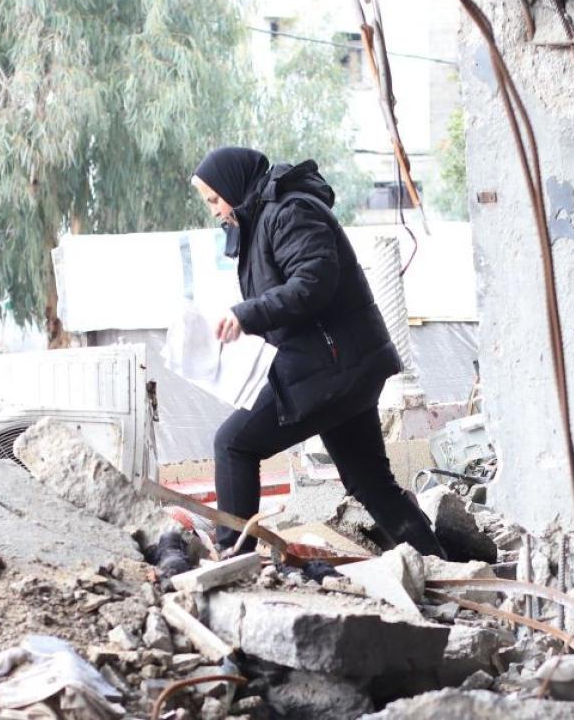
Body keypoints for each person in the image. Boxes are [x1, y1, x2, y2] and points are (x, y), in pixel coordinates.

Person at [190, 146, 445, 558]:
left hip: (332, 368)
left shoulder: (290, 212)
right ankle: (441, 567)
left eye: (214, 199)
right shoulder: (263, 221)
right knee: (370, 483)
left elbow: (312, 283)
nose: (216, 211)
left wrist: (246, 315)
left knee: (233, 444)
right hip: (341, 367)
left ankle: (232, 560)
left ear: (233, 186)